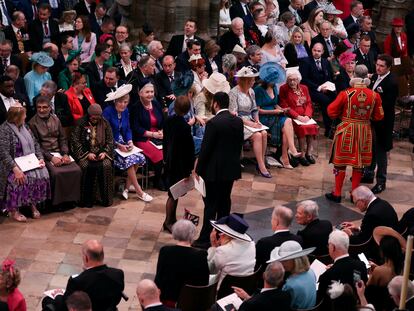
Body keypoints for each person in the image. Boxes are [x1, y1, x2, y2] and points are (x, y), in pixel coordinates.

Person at [325, 65, 384, 203]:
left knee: (340, 164)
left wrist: (343, 115)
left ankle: (337, 193)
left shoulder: (346, 93)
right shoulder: (375, 95)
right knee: (359, 164)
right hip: (364, 131)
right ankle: (355, 195)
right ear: (366, 76)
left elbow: (331, 111)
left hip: (347, 129)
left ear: (354, 75)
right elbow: (379, 116)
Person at [192, 92, 244, 249]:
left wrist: (198, 170)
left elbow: (206, 150)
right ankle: (223, 236)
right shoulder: (238, 121)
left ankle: (205, 239)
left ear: (215, 104)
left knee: (211, 205)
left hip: (213, 172)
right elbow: (239, 144)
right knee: (224, 202)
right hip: (230, 170)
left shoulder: (214, 123)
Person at [102, 84, 152, 203]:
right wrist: (118, 145)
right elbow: (104, 134)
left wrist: (130, 141)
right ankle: (139, 191)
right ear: (115, 101)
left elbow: (128, 129)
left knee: (139, 157)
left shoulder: (125, 111)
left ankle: (126, 188)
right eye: (121, 102)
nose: (123, 105)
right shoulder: (108, 112)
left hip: (123, 143)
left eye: (126, 102)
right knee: (130, 161)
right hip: (110, 145)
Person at [0, 103, 50, 222]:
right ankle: (14, 210)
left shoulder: (25, 127)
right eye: (24, 115)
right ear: (17, 117)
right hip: (11, 164)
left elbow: (36, 144)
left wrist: (40, 158)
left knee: (41, 173)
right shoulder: (4, 129)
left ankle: (32, 204)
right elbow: (3, 153)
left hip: (28, 160)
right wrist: (15, 169)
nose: (26, 117)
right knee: (17, 179)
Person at [42, 240, 125, 311]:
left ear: (86, 258)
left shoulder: (78, 281)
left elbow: (66, 306)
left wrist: (57, 296)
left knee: (47, 301)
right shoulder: (118, 274)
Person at [28, 96, 81, 206]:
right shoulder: (32, 123)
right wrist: (51, 158)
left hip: (60, 152)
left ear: (50, 107)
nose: (41, 110)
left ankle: (71, 200)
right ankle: (57, 204)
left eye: (44, 107)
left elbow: (62, 138)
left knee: (77, 170)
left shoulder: (56, 119)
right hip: (45, 155)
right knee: (56, 173)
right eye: (39, 107)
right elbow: (36, 145)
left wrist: (65, 154)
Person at [254, 62, 302, 169]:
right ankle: (288, 154)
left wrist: (281, 109)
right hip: (264, 117)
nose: (275, 81)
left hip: (275, 115)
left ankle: (287, 154)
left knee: (288, 123)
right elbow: (257, 110)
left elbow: (274, 103)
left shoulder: (275, 87)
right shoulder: (258, 90)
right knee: (286, 124)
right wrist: (274, 112)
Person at [363, 54, 399, 194]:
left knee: (381, 152)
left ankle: (381, 182)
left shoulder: (391, 82)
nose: (378, 68)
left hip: (383, 123)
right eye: (377, 64)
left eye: (381, 66)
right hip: (372, 120)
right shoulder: (374, 78)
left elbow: (387, 105)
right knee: (370, 147)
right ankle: (369, 173)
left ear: (388, 67)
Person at [154, 220, 209, 307]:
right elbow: (204, 281)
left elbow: (159, 278)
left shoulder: (165, 251)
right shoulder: (201, 255)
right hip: (191, 301)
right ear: (192, 234)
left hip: (168, 300)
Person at [229, 66, 271, 178]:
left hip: (251, 120)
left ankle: (260, 161)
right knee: (257, 135)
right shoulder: (233, 93)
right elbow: (234, 114)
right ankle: (262, 166)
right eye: (252, 79)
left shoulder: (251, 91)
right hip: (238, 122)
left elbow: (254, 109)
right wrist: (250, 124)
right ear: (245, 80)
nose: (254, 81)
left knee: (264, 133)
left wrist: (257, 120)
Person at [70, 104, 114, 207]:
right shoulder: (80, 123)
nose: (95, 120)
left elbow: (110, 140)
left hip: (101, 153)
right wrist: (87, 154)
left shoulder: (105, 123)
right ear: (88, 115)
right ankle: (86, 200)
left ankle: (104, 199)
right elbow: (75, 141)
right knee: (84, 166)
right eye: (93, 117)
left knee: (106, 165)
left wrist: (105, 152)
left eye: (97, 117)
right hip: (85, 154)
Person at [162, 96, 195, 232]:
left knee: (173, 194)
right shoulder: (185, 127)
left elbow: (165, 141)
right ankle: (168, 221)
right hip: (179, 165)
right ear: (187, 110)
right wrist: (188, 170)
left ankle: (171, 219)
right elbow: (188, 150)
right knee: (173, 195)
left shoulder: (168, 121)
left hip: (169, 161)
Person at [317, 230, 368, 311]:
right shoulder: (360, 265)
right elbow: (358, 283)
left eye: (329, 245)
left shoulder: (326, 276)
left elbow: (322, 304)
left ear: (333, 247)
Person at [279, 67, 318, 166]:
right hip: (293, 117)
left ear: (298, 79)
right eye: (290, 80)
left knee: (312, 126)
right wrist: (297, 117)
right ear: (287, 80)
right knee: (302, 128)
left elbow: (309, 103)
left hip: (305, 116)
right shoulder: (283, 88)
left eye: (294, 80)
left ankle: (309, 152)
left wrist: (307, 116)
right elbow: (284, 105)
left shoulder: (304, 88)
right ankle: (302, 154)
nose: (292, 82)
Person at [129, 83, 165, 191]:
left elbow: (163, 120)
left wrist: (162, 131)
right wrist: (152, 134)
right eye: (147, 92)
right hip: (143, 137)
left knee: (170, 149)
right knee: (159, 154)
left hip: (158, 135)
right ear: (140, 93)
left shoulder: (156, 103)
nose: (150, 94)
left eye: (152, 92)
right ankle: (157, 181)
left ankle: (166, 177)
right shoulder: (136, 107)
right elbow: (135, 128)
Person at [207, 214, 256, 286]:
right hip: (246, 287)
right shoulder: (252, 245)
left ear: (223, 234)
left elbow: (211, 270)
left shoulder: (223, 251)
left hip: (224, 290)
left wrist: (213, 247)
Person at [299, 42, 336, 137]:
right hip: (311, 89)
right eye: (314, 50)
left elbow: (330, 76)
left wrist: (328, 86)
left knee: (336, 96)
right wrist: (319, 88)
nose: (316, 53)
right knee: (326, 101)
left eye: (319, 51)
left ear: (323, 52)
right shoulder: (306, 61)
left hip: (325, 87)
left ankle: (335, 125)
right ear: (312, 50)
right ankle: (328, 129)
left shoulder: (325, 62)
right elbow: (304, 79)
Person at [267, 241, 316, 309]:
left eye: (285, 261)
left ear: (296, 261)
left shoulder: (290, 285)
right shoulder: (311, 272)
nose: (281, 263)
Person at [365, 226, 405, 311]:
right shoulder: (402, 266)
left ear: (383, 251)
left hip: (378, 305)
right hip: (394, 303)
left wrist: (371, 273)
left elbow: (367, 288)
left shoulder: (379, 271)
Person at [255, 206, 303, 275]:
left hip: (270, 280)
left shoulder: (263, 243)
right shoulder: (299, 239)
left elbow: (257, 266)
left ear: (276, 222)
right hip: (293, 276)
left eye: (272, 219)